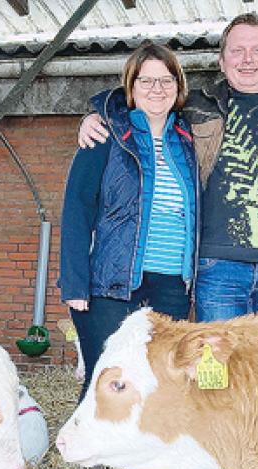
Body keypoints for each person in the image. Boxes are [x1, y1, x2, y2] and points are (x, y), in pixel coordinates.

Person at [77, 13, 258, 469]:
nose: (247, 59)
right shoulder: (199, 109)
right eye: (236, 50)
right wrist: (95, 115)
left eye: (256, 49)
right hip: (218, 268)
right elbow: (141, 105)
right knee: (214, 372)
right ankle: (218, 458)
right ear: (220, 61)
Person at [58, 42, 199, 402]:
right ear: (131, 88)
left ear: (179, 87)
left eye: (166, 81)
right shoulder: (105, 137)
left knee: (157, 381)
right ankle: (87, 453)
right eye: (146, 81)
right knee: (104, 378)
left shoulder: (192, 142)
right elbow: (77, 209)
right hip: (113, 284)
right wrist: (75, 285)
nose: (157, 89)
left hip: (171, 285)